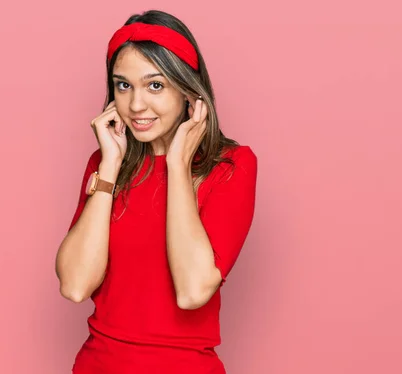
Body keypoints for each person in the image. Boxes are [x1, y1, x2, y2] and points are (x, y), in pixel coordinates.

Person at [55, 9, 258, 374]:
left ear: (187, 90)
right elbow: (74, 285)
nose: (135, 105)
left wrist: (177, 165)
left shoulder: (232, 166)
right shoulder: (105, 164)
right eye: (123, 85)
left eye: (155, 85)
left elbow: (193, 291)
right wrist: (110, 168)